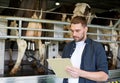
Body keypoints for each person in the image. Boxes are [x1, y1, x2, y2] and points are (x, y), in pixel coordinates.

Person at [62, 16, 108, 83]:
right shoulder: (67, 47)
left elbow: (104, 76)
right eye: (72, 31)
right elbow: (64, 72)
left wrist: (80, 73)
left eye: (77, 31)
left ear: (86, 29)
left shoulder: (97, 47)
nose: (74, 34)